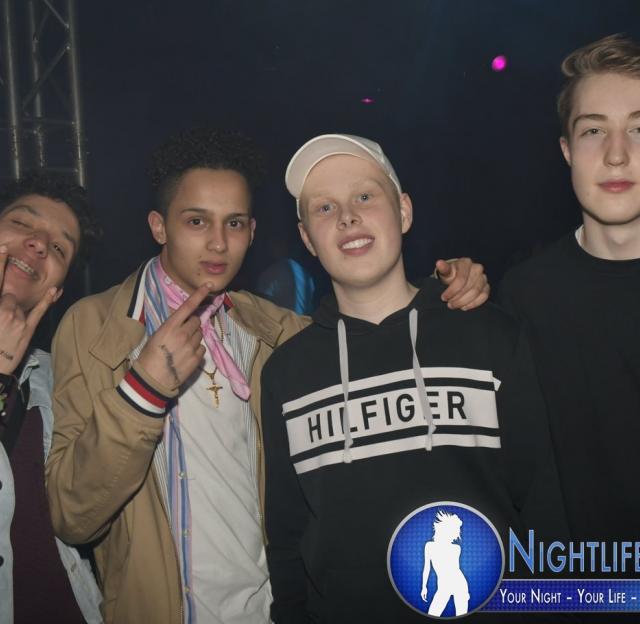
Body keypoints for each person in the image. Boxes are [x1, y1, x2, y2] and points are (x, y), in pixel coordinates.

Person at [46, 128, 489, 624]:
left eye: (234, 223)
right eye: (197, 221)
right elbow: (73, 516)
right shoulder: (93, 328)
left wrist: (445, 292)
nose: (219, 242)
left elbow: (373, 334)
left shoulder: (275, 331)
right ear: (159, 226)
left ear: (252, 232)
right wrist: (143, 392)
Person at [261, 134, 567, 623]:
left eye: (365, 196)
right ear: (307, 239)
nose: (347, 217)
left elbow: (545, 504)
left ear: (403, 211)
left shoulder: (488, 335)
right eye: (324, 207)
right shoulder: (286, 375)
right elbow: (286, 538)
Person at [498, 34, 640, 548]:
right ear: (566, 151)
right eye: (594, 131)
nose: (617, 155)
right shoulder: (524, 297)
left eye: (639, 129)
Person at [0, 173, 102, 623]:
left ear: (55, 290)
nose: (39, 244)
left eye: (60, 248)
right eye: (22, 223)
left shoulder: (56, 379)